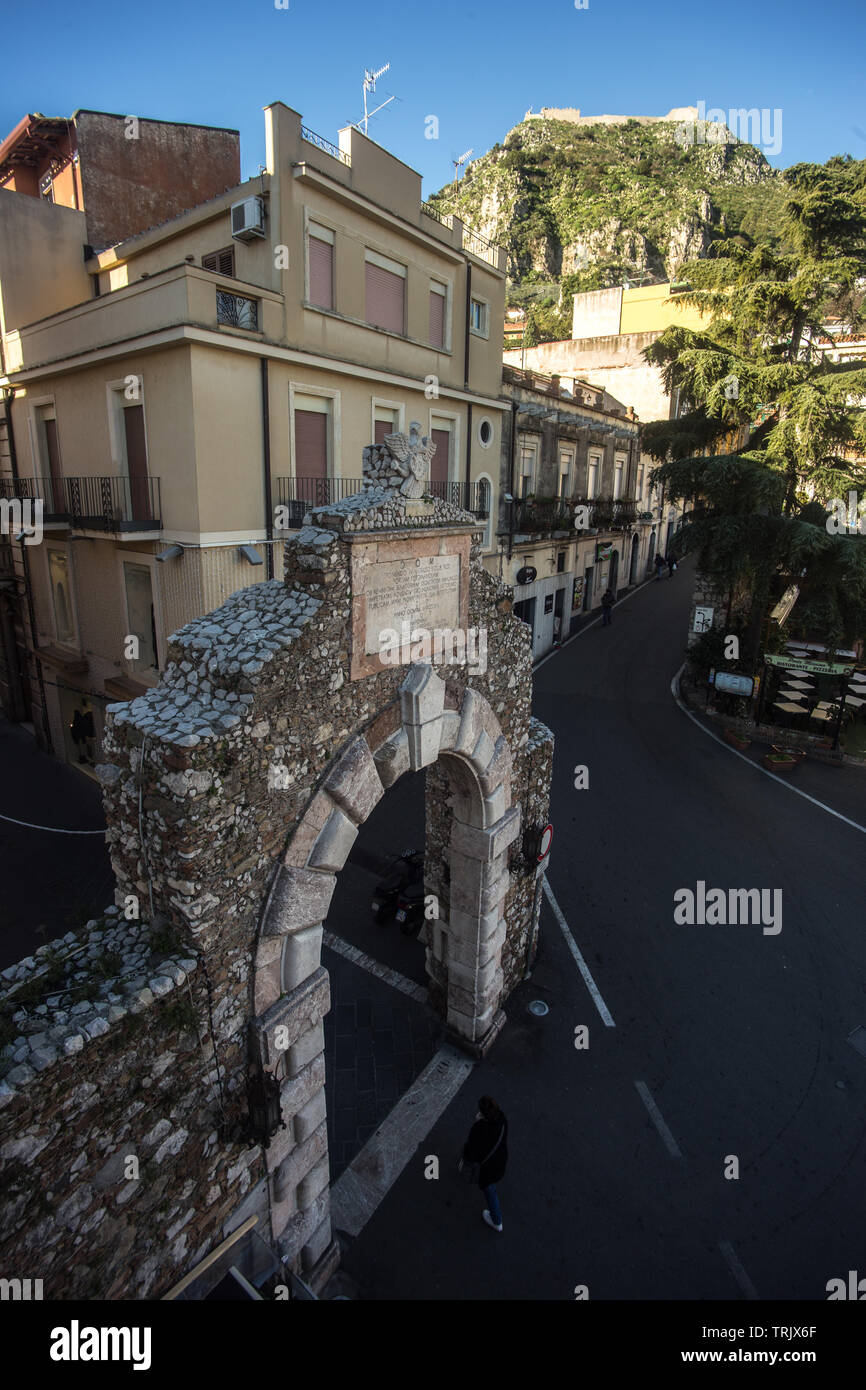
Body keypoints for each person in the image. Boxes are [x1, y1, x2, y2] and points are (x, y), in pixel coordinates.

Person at [460, 1095, 508, 1232]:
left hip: (488, 1170)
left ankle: (497, 1220)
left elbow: (472, 1151)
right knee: (491, 1189)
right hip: (500, 1161)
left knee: (490, 1191)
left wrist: (478, 1123)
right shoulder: (502, 1120)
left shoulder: (480, 1129)